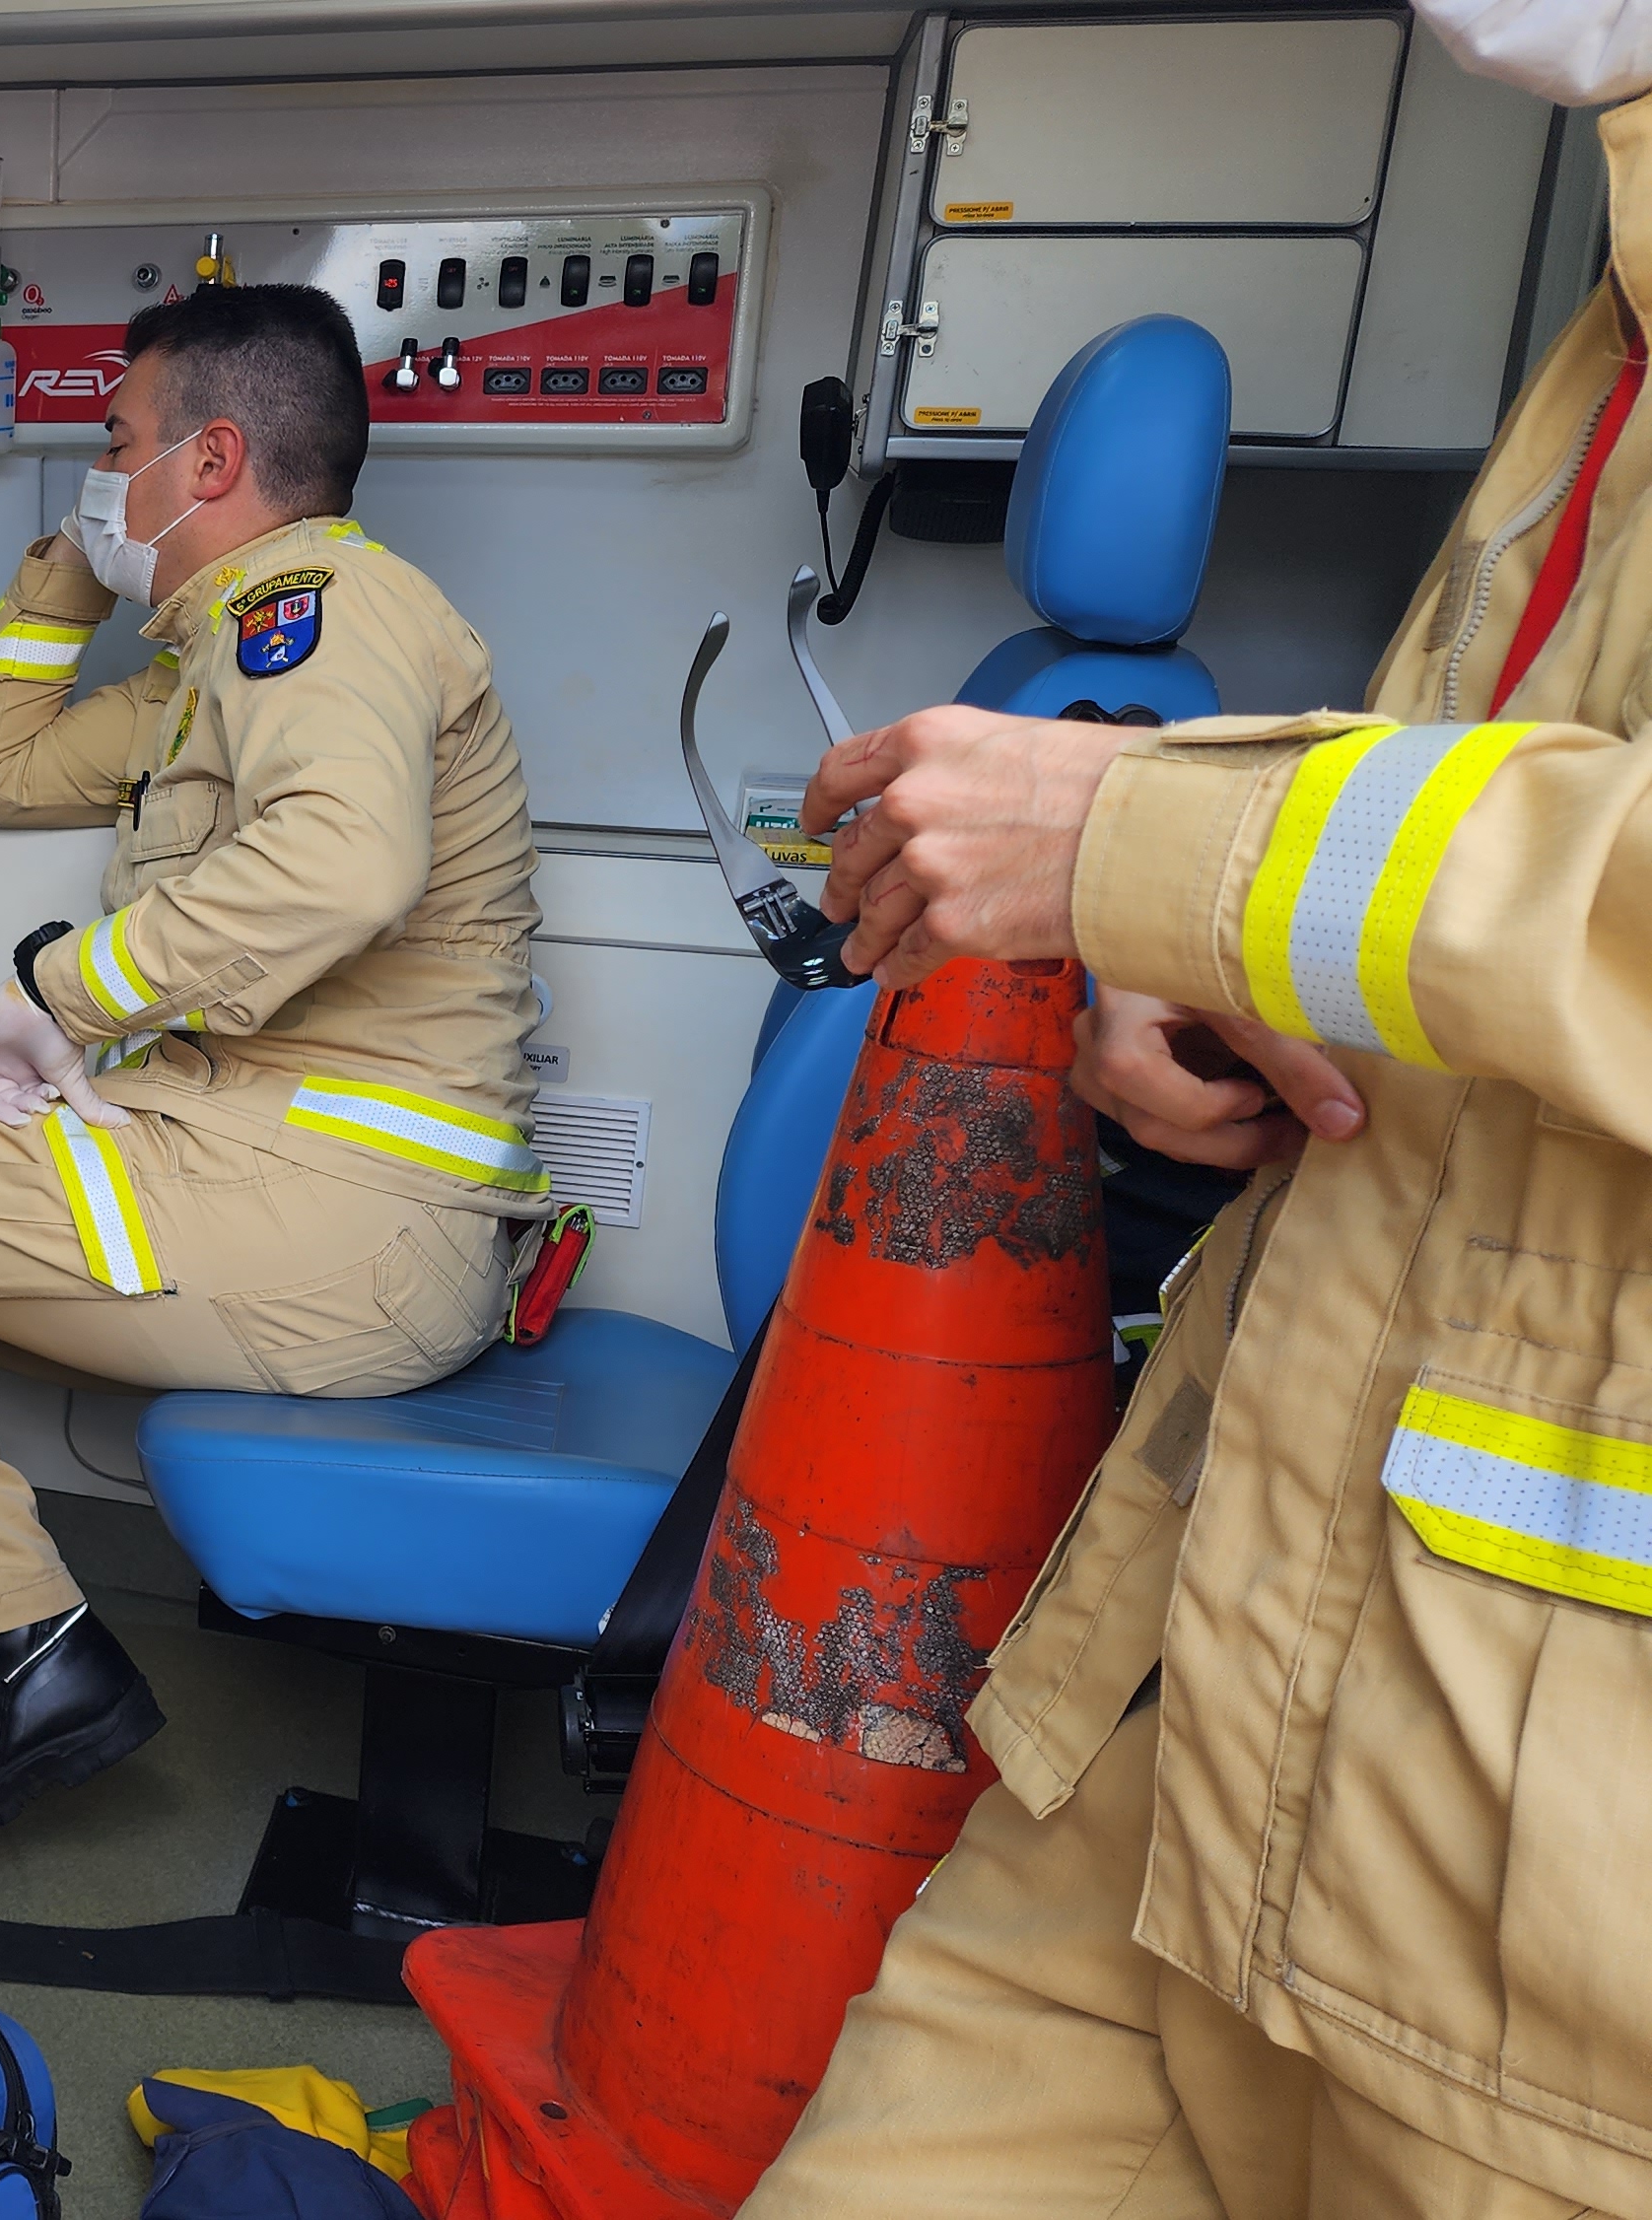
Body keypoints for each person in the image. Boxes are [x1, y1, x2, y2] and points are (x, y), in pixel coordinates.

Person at [743, 48, 1652, 2215]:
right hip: (1189, 1727)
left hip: (1560, 1920)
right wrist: (1239, 960)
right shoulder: (1599, 338)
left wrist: (1170, 842)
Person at [0, 282, 552, 1834]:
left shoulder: (324, 615)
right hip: (292, 1182)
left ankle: (9, 1645)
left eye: (116, 445)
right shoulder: (212, 659)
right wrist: (67, 573)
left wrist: (64, 992)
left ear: (209, 463)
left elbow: (348, 864)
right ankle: (6, 1637)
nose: (100, 471)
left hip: (345, 1214)